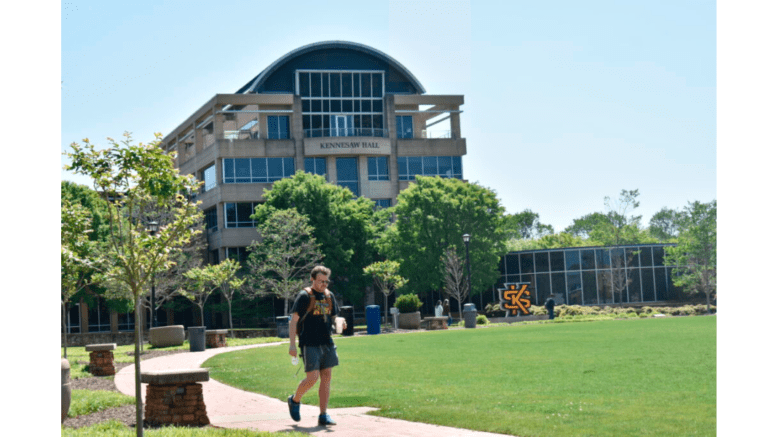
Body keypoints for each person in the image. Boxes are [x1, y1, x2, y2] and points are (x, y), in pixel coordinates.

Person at [288, 265, 344, 426]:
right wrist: (292, 345)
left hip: (327, 342)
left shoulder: (329, 295)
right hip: (309, 342)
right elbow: (294, 321)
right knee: (312, 378)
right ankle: (295, 400)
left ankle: (323, 415)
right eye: (321, 281)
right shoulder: (304, 296)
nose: (324, 285)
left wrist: (341, 321)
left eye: (326, 281)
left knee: (326, 377)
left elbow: (334, 316)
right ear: (312, 279)